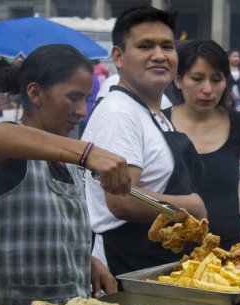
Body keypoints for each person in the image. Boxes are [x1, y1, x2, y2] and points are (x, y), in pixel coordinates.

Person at [0, 44, 130, 305]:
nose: (81, 111)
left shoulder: (67, 155)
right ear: (35, 93)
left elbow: (49, 231)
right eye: (73, 97)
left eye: (85, 99)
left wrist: (83, 260)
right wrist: (88, 152)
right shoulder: (12, 145)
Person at [82, 6, 207, 275]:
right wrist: (190, 206)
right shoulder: (119, 112)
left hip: (157, 264)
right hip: (127, 266)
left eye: (167, 46)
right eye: (145, 46)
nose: (159, 56)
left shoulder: (155, 107)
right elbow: (122, 200)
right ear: (118, 56)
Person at [165, 40, 240, 249]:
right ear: (178, 80)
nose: (207, 89)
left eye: (216, 79)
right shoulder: (160, 124)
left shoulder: (237, 122)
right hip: (171, 247)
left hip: (226, 245)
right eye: (197, 79)